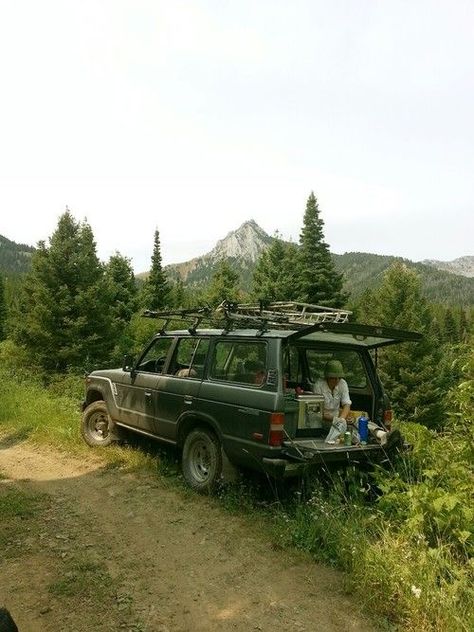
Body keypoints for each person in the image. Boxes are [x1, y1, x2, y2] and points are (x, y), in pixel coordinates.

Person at [312, 359, 403, 449]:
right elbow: (318, 413)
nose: (337, 380)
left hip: (339, 418)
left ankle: (384, 435)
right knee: (350, 429)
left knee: (360, 421)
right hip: (324, 422)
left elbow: (347, 404)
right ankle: (377, 440)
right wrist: (339, 420)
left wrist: (342, 419)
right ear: (327, 377)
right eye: (333, 378)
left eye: (339, 377)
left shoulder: (342, 383)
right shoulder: (318, 386)